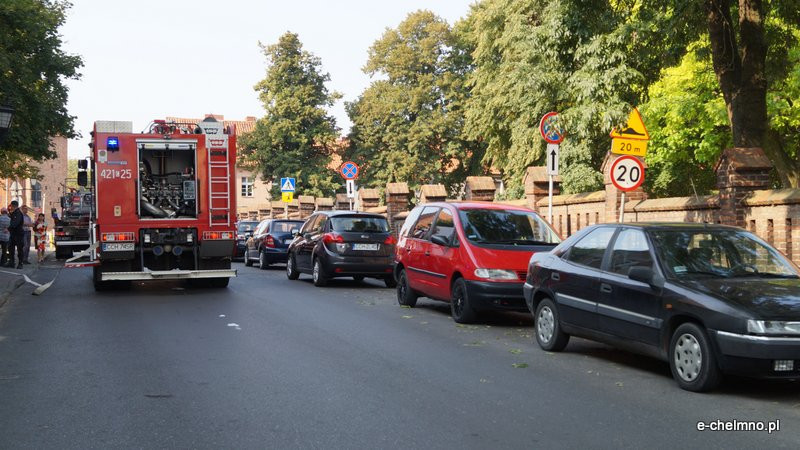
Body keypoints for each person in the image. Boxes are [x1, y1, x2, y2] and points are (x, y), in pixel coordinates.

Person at [6, 201, 24, 269]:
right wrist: (9, 212)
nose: (11, 207)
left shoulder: (18, 213)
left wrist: (8, 228)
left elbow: (15, 223)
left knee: (19, 249)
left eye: (11, 206)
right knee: (11, 248)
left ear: (13, 206)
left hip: (18, 234)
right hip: (13, 234)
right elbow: (12, 219)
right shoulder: (14, 213)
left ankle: (20, 263)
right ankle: (11, 262)